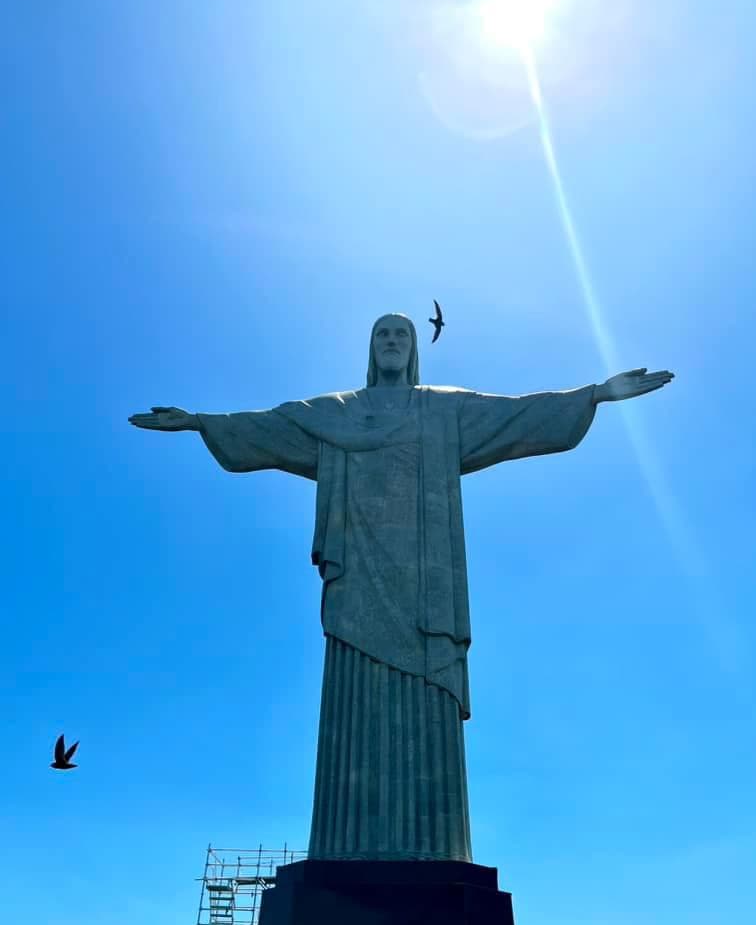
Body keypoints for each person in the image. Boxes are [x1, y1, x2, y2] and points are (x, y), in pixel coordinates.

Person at [129, 313, 673, 862]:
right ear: (370, 348)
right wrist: (200, 422)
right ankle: (344, 850)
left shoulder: (443, 408)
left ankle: (433, 852)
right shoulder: (333, 414)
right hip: (357, 581)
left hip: (426, 588)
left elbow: (517, 415)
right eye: (382, 335)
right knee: (352, 698)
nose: (392, 342)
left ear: (414, 349)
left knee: (428, 698)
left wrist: (596, 395)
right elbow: (271, 427)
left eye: (401, 335)